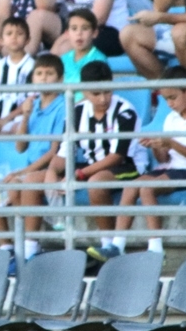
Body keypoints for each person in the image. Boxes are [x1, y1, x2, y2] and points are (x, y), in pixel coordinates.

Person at [19, 60, 146, 261]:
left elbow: (116, 156)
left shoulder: (125, 111)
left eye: (107, 92)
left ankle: (108, 246)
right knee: (32, 181)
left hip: (127, 166)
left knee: (96, 182)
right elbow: (63, 152)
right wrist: (52, 173)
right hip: (90, 167)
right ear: (84, 91)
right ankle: (29, 251)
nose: (103, 99)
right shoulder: (76, 112)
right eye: (96, 94)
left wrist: (79, 175)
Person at [89, 66, 186, 262]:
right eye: (166, 99)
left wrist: (170, 143)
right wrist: (155, 145)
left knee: (146, 188)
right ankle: (117, 245)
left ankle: (156, 247)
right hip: (173, 169)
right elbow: (164, 160)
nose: (169, 104)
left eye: (173, 98)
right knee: (131, 185)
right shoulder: (171, 118)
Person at [0, 53, 66, 272]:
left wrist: (21, 172)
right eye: (39, 74)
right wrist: (25, 116)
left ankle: (29, 249)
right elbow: (20, 146)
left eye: (49, 74)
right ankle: (7, 248)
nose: (44, 78)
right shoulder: (33, 105)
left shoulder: (63, 106)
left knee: (22, 184)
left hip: (50, 168)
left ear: (60, 78)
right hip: (29, 167)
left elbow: (55, 152)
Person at [59, 8, 109, 84]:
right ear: (67, 33)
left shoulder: (98, 59)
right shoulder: (63, 59)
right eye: (74, 28)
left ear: (94, 33)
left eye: (85, 28)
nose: (79, 33)